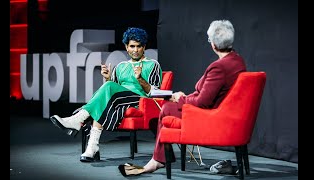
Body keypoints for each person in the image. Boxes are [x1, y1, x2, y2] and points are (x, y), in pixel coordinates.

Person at [139, 19, 247, 174]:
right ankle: (161, 158)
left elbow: (202, 102)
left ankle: (158, 160)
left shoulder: (219, 67)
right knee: (170, 106)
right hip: (225, 113)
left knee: (167, 108)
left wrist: (180, 99)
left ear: (213, 45)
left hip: (211, 117)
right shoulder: (238, 60)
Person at [50, 27, 163, 162]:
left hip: (140, 101)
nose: (135, 50)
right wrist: (108, 78)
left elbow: (155, 93)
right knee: (105, 98)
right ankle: (92, 147)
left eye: (139, 46)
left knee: (107, 92)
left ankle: (78, 119)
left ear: (144, 47)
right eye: (132, 46)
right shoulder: (121, 66)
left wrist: (140, 79)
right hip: (120, 101)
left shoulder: (152, 64)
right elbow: (112, 89)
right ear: (126, 47)